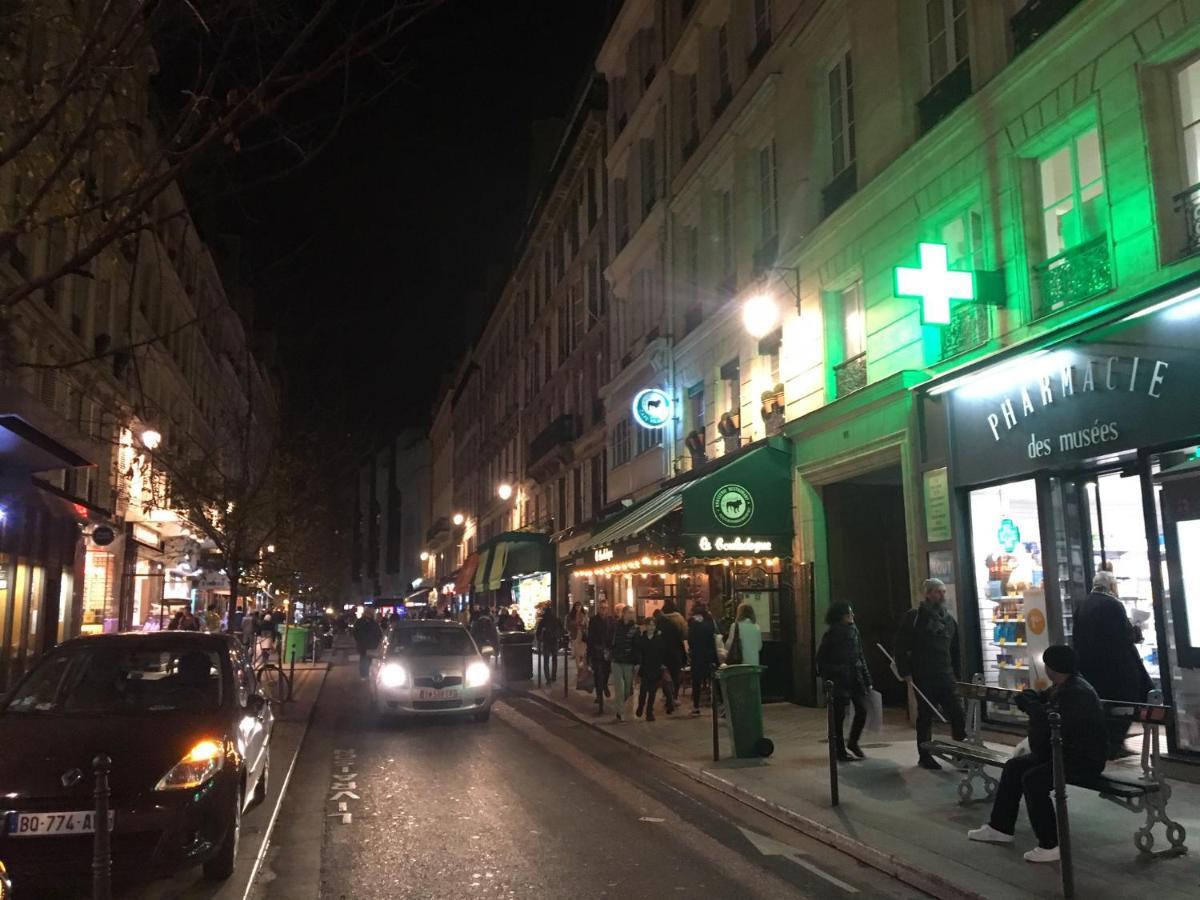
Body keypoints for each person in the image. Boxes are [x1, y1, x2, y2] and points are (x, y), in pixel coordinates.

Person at [967, 644, 1107, 863]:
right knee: (1014, 767)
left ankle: (1051, 844)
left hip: (1081, 760)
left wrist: (1030, 706)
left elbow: (1052, 720)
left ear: (1051, 668)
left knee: (1033, 780)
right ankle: (1000, 827)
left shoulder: (1077, 692)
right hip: (1060, 754)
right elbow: (1041, 698)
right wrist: (1030, 697)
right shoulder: (1064, 685)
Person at [1073, 570, 1153, 758]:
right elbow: (1122, 635)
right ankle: (1115, 744)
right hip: (1116, 666)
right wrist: (1136, 629)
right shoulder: (1113, 604)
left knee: (1103, 704)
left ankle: (1106, 743)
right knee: (1126, 703)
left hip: (1089, 666)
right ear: (1111, 585)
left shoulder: (1083, 604)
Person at [894, 578, 967, 769]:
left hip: (946, 675)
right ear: (927, 594)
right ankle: (924, 755)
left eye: (943, 591)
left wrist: (957, 675)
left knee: (958, 713)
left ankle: (961, 752)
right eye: (937, 592)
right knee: (925, 716)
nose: (942, 595)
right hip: (924, 676)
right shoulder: (914, 617)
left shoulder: (949, 620)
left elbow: (955, 650)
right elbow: (900, 646)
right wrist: (905, 672)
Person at [817, 602, 872, 761]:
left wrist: (867, 678)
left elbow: (860, 655)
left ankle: (853, 742)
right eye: (849, 613)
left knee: (862, 709)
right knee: (838, 718)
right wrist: (832, 673)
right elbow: (821, 659)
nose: (852, 615)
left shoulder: (854, 631)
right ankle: (839, 751)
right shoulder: (831, 635)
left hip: (855, 677)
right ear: (841, 616)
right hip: (839, 680)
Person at [635, 615, 674, 720]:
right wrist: (638, 664)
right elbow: (639, 652)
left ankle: (649, 712)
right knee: (643, 691)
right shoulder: (642, 639)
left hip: (656, 668)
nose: (651, 627)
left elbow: (663, 653)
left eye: (653, 625)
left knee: (652, 692)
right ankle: (640, 706)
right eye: (649, 625)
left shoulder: (659, 639)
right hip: (645, 668)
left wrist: (663, 664)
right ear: (646, 626)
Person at [687, 603, 718, 716]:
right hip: (709, 654)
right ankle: (715, 703)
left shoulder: (692, 623)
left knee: (696, 681)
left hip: (697, 655)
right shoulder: (709, 621)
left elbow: (690, 640)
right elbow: (713, 635)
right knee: (712, 679)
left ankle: (696, 706)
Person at [609, 606, 639, 721]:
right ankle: (620, 712)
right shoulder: (616, 626)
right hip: (616, 660)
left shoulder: (635, 628)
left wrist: (637, 662)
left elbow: (637, 646)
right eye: (630, 612)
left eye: (633, 612)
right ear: (624, 613)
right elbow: (610, 639)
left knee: (627, 689)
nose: (632, 614)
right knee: (619, 688)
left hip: (628, 661)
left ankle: (621, 702)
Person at [586, 601, 616, 706]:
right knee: (598, 674)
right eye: (602, 608)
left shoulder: (611, 620)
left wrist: (612, 649)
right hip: (597, 651)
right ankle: (599, 696)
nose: (603, 610)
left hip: (607, 651)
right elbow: (590, 637)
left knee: (606, 672)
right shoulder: (593, 620)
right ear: (598, 608)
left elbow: (613, 635)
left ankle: (604, 685)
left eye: (605, 608)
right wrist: (588, 654)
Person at [659, 600, 688, 705]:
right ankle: (675, 696)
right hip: (676, 650)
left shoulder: (661, 620)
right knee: (675, 674)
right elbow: (684, 634)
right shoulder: (679, 619)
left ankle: (665, 694)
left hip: (663, 651)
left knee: (664, 673)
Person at [727, 603, 763, 667]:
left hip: (740, 664)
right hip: (754, 664)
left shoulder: (735, 626)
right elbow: (759, 647)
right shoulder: (756, 627)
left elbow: (729, 645)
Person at [352, 609, 383, 680]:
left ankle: (367, 674)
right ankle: (364, 674)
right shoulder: (360, 622)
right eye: (368, 613)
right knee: (364, 660)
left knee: (369, 660)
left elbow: (378, 633)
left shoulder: (373, 622)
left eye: (370, 614)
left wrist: (378, 640)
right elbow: (355, 633)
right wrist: (359, 640)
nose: (369, 615)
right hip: (363, 645)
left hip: (371, 645)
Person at [535, 604, 563, 683]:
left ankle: (548, 678)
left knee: (546, 660)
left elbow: (538, 633)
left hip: (546, 642)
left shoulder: (543, 621)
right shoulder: (557, 619)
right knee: (554, 659)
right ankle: (554, 676)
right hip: (554, 641)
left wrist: (540, 639)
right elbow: (562, 630)